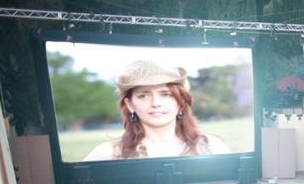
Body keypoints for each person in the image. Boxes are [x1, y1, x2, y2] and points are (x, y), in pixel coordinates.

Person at [83, 60, 230, 160]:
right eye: (143, 95)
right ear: (130, 105)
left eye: (165, 94)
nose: (155, 103)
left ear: (181, 102)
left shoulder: (212, 147)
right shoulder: (108, 154)